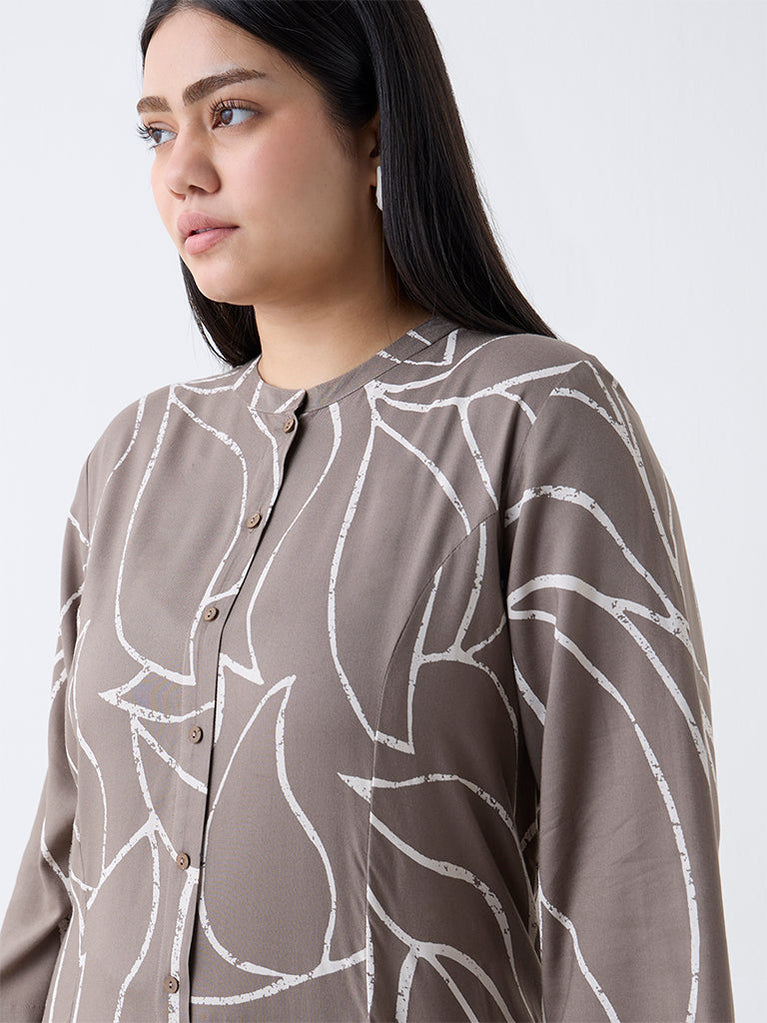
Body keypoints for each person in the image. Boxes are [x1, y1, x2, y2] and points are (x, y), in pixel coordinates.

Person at [0, 1, 734, 1021]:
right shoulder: (133, 458)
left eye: (232, 113)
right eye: (157, 131)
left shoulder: (531, 421)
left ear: (375, 129)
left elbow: (634, 892)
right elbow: (61, 866)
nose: (182, 172)